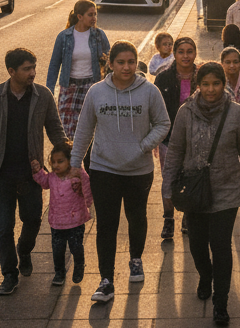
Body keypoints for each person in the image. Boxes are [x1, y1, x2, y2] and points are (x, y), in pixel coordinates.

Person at [71, 41, 171, 303]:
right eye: (121, 62)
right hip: (104, 168)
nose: (126, 67)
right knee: (106, 224)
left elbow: (163, 123)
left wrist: (143, 146)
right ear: (110, 64)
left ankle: (135, 259)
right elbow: (84, 130)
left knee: (137, 217)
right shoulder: (96, 92)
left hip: (139, 170)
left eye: (131, 62)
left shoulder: (149, 91)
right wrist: (74, 163)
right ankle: (106, 280)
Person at [163, 62, 240, 325]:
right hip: (194, 192)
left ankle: (221, 302)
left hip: (227, 191)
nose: (211, 89)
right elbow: (175, 152)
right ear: (198, 85)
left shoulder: (236, 113)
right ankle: (205, 275)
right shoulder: (185, 113)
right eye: (205, 84)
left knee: (221, 246)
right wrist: (167, 188)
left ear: (223, 84)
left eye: (216, 83)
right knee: (197, 245)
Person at [0, 48, 68, 296]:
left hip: (31, 174)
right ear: (11, 72)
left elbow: (55, 129)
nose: (33, 72)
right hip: (0, 173)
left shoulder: (42, 95)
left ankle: (24, 250)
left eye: (34, 67)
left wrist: (68, 159)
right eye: (27, 69)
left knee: (33, 219)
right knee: (3, 227)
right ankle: (9, 275)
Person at [31, 140, 93, 286]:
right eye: (53, 162)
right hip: (57, 222)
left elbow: (87, 187)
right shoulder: (51, 177)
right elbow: (44, 182)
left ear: (70, 161)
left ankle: (79, 265)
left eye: (60, 161)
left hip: (75, 221)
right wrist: (37, 171)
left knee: (76, 247)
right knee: (57, 250)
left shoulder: (77, 175)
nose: (56, 165)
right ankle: (59, 273)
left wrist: (88, 201)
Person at [154, 37, 199, 238]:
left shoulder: (203, 76)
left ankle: (188, 217)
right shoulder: (163, 78)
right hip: (169, 140)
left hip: (197, 139)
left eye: (190, 51)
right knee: (169, 179)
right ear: (175, 54)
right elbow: (154, 110)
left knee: (191, 178)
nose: (185, 56)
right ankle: (168, 219)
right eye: (181, 51)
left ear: (195, 53)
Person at [48, 1, 111, 141]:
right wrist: (49, 90)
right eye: (90, 14)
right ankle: (71, 161)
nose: (94, 18)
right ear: (79, 16)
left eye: (95, 14)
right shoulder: (64, 37)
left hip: (91, 87)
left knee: (90, 130)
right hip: (69, 88)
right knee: (67, 131)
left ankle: (87, 161)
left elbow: (109, 62)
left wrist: (110, 87)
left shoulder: (99, 35)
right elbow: (54, 65)